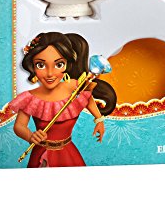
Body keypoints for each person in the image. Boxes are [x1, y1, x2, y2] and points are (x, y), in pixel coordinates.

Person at [9, 32, 116, 168]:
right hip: (41, 153)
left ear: (67, 64)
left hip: (68, 152)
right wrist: (30, 136)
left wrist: (99, 119)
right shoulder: (30, 98)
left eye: (59, 64)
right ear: (32, 66)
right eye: (41, 65)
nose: (50, 73)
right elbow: (19, 126)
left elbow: (87, 97)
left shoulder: (74, 86)